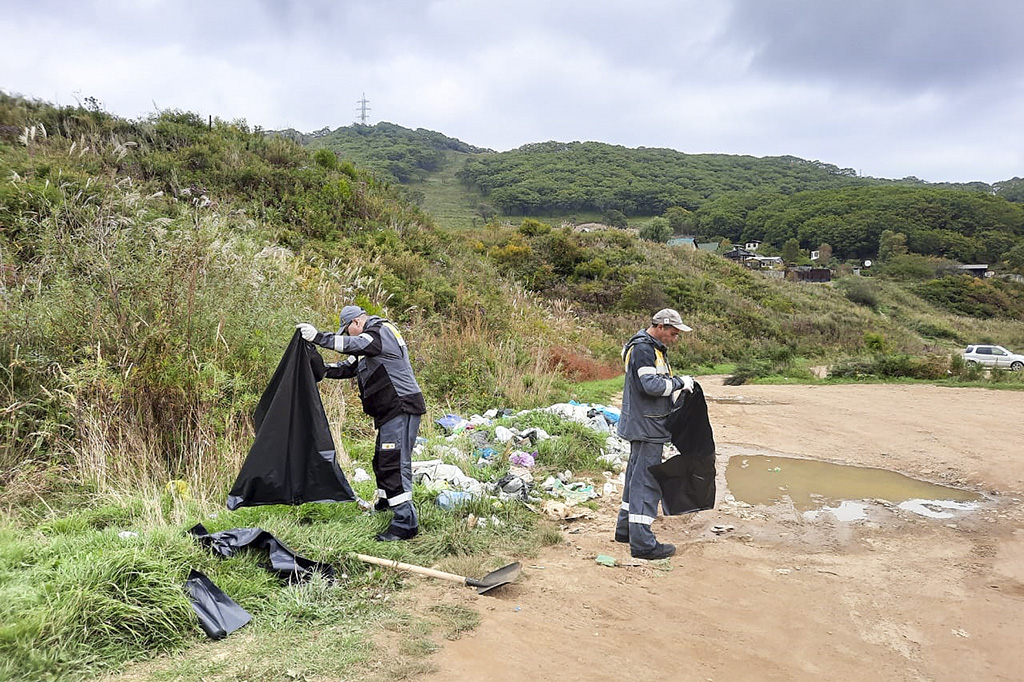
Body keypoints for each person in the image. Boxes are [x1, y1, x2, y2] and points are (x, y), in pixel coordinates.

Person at [297, 305, 426, 541]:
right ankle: (387, 505)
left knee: (393, 463)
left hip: (401, 407)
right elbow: (350, 366)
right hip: (389, 411)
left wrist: (318, 337)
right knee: (381, 460)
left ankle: (405, 523)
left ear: (357, 322)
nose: (348, 336)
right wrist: (322, 370)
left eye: (348, 331)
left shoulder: (380, 331)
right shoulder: (370, 343)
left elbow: (355, 345)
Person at [614, 308, 695, 559]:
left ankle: (625, 530)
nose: (675, 337)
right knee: (645, 483)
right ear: (660, 326)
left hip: (643, 423)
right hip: (648, 426)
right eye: (673, 332)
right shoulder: (644, 349)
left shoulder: (651, 348)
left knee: (635, 477)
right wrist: (681, 382)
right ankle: (643, 544)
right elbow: (650, 386)